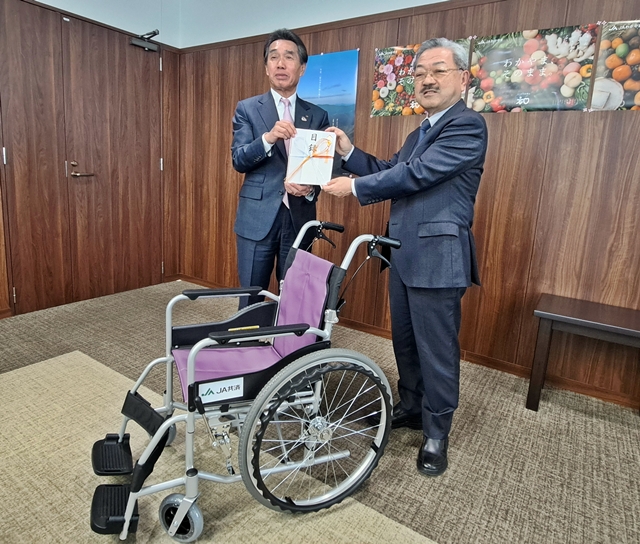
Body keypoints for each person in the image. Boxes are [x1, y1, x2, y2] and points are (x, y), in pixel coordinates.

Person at [323, 38, 488, 477]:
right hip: (403, 253)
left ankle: (437, 431)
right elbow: (390, 170)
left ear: (462, 78)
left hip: (439, 257)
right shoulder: (420, 132)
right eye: (419, 73)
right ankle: (413, 406)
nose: (427, 80)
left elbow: (417, 175)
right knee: (406, 341)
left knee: (437, 349)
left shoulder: (467, 125)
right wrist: (348, 154)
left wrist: (353, 187)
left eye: (438, 71)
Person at [231, 28, 330, 307]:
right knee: (251, 296)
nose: (280, 64)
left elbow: (322, 169)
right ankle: (249, 335)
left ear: (302, 68)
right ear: (266, 68)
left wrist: (310, 189)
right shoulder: (248, 109)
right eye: (273, 57)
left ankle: (286, 337)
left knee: (294, 297)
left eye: (289, 57)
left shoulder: (318, 115)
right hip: (257, 218)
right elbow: (239, 159)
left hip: (299, 218)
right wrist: (268, 138)